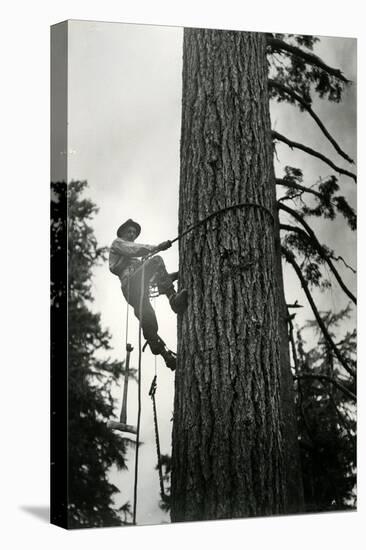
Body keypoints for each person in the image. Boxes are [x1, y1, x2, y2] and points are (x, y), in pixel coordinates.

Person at [109, 219, 188, 371]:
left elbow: (158, 278)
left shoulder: (134, 260)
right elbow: (134, 249)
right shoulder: (118, 244)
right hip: (131, 284)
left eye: (134, 232)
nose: (132, 234)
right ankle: (173, 301)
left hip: (138, 289)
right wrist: (157, 247)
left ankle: (167, 358)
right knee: (156, 260)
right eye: (129, 231)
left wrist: (177, 275)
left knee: (149, 320)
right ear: (123, 233)